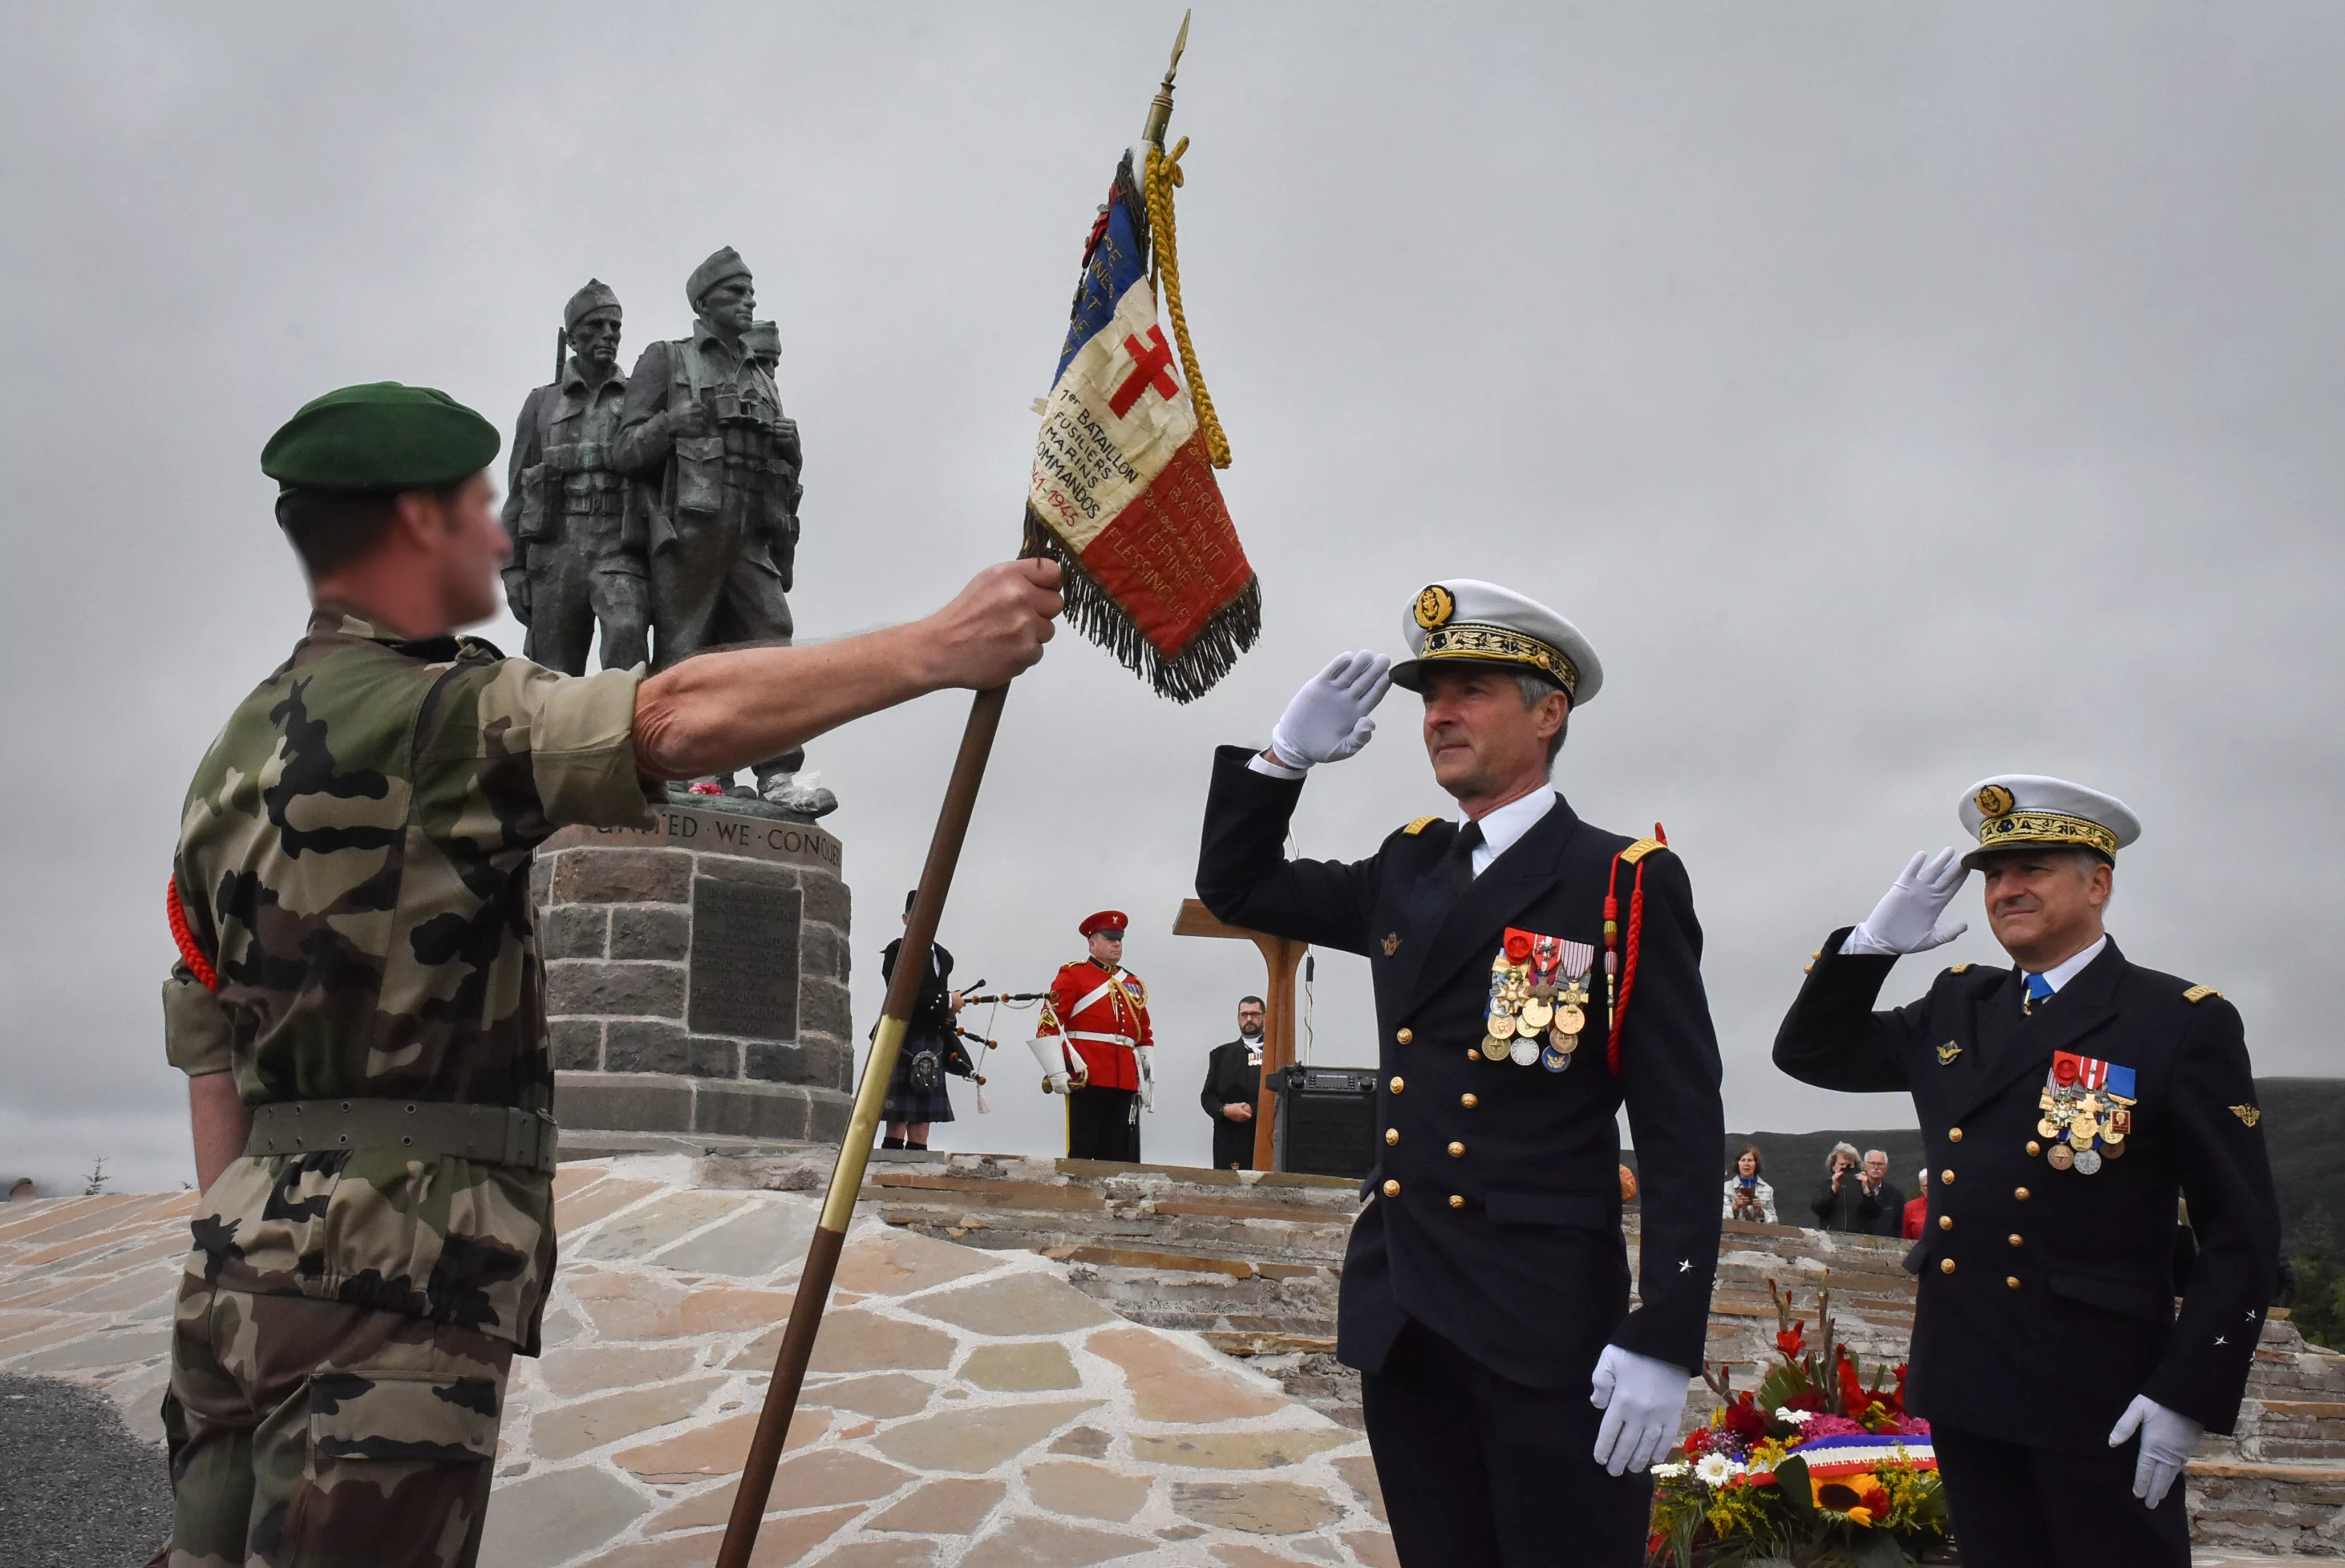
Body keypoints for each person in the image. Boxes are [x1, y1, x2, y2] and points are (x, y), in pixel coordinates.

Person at [156, 381, 1061, 1568]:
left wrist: (249, 1239)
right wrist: (937, 649)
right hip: (390, 1285)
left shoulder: (233, 746)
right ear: (414, 528)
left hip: (237, 1276)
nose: (503, 532)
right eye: (480, 505)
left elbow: (209, 1042)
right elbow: (669, 722)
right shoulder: (436, 714)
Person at [1195, 580, 1726, 1567]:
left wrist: (1666, 1327)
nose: (1437, 714)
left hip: (1544, 1318)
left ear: (1548, 710)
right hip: (1405, 1307)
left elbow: (1681, 1128)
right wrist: (1280, 760)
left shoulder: (1623, 881)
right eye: (1429, 696)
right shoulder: (1408, 866)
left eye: (1471, 689)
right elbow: (1238, 886)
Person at [1772, 775, 2280, 1568]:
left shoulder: (2173, 1020)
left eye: (2032, 868)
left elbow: (2239, 1229)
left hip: (2099, 1388)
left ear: (2097, 882)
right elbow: (1810, 1053)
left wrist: (2189, 1386)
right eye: (1992, 874)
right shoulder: (1956, 1003)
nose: (2005, 888)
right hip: (1965, 1369)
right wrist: (1869, 946)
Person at [613, 247, 828, 816]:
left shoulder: (758, 371)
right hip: (693, 522)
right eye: (735, 293)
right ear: (704, 303)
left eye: (750, 292)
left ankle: (779, 773)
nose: (748, 301)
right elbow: (625, 450)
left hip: (753, 524)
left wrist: (790, 445)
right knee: (686, 649)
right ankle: (685, 768)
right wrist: (668, 424)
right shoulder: (667, 358)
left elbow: (786, 469)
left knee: (770, 640)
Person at [500, 279, 646, 675]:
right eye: (596, 326)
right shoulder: (542, 403)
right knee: (553, 671)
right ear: (572, 338)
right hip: (556, 551)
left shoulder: (639, 397)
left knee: (627, 632)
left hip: (619, 545)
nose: (608, 335)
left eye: (615, 327)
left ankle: (628, 734)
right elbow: (516, 493)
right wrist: (512, 569)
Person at [1029, 912, 1156, 1161]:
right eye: (1110, 938)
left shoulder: (1132, 982)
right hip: (1087, 1074)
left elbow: (1143, 1034)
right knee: (1083, 1150)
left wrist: (1147, 1080)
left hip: (1124, 1079)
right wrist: (1056, 1071)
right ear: (1092, 943)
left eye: (1119, 939)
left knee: (1120, 1153)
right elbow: (1049, 1022)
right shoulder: (1073, 975)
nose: (1117, 943)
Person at [879, 889, 971, 1152]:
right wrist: (946, 1001)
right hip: (903, 1036)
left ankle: (913, 1179)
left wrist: (951, 1011)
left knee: (922, 1121)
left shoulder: (944, 957)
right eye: (918, 916)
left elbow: (940, 997)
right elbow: (902, 992)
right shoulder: (896, 951)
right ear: (906, 919)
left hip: (933, 1039)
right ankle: (889, 1179)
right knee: (898, 1118)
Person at [1200, 995, 1269, 1171]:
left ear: (1264, 1017)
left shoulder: (1276, 1053)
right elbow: (1208, 1097)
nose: (1249, 1019)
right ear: (1238, 1018)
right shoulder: (1221, 1055)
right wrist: (1225, 1110)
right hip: (1229, 1137)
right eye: (1244, 1014)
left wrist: (1254, 1109)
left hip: (1264, 1136)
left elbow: (1281, 1096)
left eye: (1255, 1014)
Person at [1808, 1141, 1875, 1232]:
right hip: (1831, 1238)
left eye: (1849, 1165)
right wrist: (1833, 1190)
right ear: (1833, 1166)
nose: (1845, 1169)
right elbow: (1818, 1209)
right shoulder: (1825, 1185)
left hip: (1858, 1239)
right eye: (1842, 1165)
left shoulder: (1863, 1185)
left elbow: (1875, 1213)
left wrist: (1866, 1190)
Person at [1723, 1145, 1776, 1224]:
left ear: (1756, 1164)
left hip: (1760, 1235)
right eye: (1743, 1160)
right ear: (1738, 1164)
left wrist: (1761, 1212)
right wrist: (1736, 1207)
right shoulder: (1726, 1187)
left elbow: (1774, 1222)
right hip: (1733, 1235)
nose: (1746, 1164)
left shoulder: (1768, 1189)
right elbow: (1720, 1218)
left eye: (1750, 1160)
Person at [1903, 1168, 1929, 1240]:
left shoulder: (1948, 1204)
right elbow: (1906, 1239)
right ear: (1921, 1187)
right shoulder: (1911, 1207)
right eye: (1927, 1185)